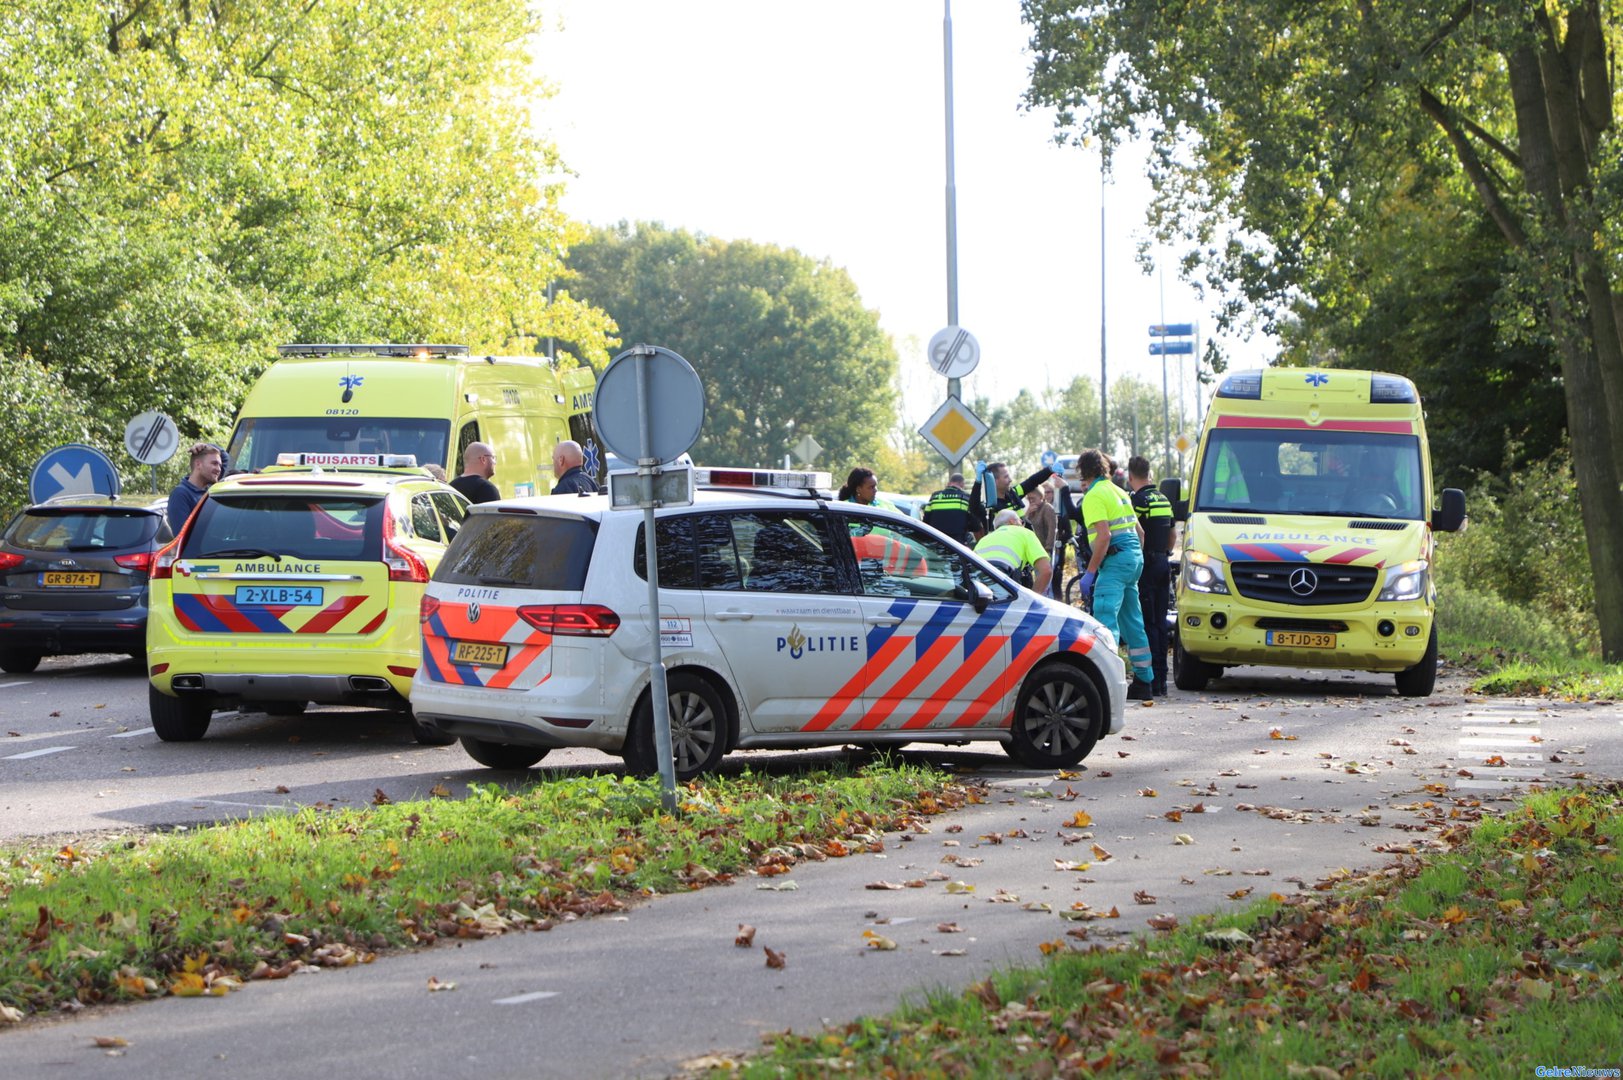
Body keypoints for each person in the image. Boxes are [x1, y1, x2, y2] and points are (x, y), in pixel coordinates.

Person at [1074, 449, 1155, 701]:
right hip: (1133, 559)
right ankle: (1144, 681)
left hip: (1116, 561)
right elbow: (1140, 533)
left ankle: (1108, 686)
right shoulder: (1119, 491)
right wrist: (1132, 559)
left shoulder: (1094, 495)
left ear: (1084, 471)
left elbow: (1104, 536)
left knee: (1105, 621)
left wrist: (1090, 572)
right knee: (1133, 622)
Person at [1128, 455, 1175, 696]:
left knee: (1147, 623)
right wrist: (1165, 553)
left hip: (1146, 564)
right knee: (1160, 622)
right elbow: (1172, 534)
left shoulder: (1137, 501)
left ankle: (1152, 681)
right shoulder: (1164, 499)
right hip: (1163, 563)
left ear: (1130, 477)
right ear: (1150, 474)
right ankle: (1162, 681)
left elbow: (1136, 533)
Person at [975, 508, 1052, 595]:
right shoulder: (1025, 533)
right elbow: (1046, 570)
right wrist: (1033, 599)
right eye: (1021, 522)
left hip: (978, 585)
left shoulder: (983, 540)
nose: (1023, 525)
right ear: (1012, 521)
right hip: (1004, 580)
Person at [980, 461, 1055, 533]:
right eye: (1006, 477)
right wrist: (978, 481)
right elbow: (974, 504)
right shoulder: (989, 506)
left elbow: (1032, 481)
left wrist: (1050, 469)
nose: (1010, 480)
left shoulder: (1014, 493)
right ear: (994, 481)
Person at [167, 442, 223, 533]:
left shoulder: (210, 492)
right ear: (198, 464)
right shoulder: (180, 494)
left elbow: (226, 456)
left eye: (220, 465)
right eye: (214, 463)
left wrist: (206, 445)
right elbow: (183, 536)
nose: (219, 469)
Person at [921, 471, 976, 544]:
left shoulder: (934, 496)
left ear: (949, 483)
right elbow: (974, 524)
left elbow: (926, 519)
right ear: (962, 484)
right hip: (956, 543)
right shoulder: (965, 497)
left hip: (936, 540)